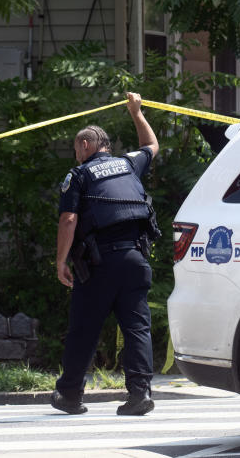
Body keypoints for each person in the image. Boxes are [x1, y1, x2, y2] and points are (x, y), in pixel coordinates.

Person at [52, 92, 162, 417]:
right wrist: (137, 113)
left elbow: (69, 219)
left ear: (85, 146)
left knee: (84, 329)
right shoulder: (128, 164)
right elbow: (152, 146)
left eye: (76, 150)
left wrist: (60, 261)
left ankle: (70, 395)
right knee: (137, 328)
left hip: (100, 264)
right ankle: (139, 395)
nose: (76, 156)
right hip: (136, 260)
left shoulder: (79, 175)